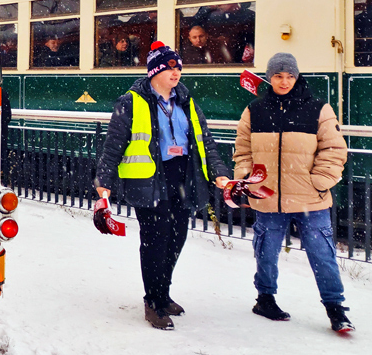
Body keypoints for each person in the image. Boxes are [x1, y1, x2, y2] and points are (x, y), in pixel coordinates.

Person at [95, 41, 231, 330]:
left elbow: (205, 141)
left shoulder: (186, 100)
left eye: (178, 67)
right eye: (170, 67)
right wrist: (103, 183)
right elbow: (113, 146)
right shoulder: (131, 102)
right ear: (154, 70)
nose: (176, 72)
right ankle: (154, 302)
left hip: (183, 177)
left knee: (177, 237)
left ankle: (164, 292)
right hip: (150, 179)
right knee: (155, 241)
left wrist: (219, 172)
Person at [232, 53, 353, 333]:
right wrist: (247, 179)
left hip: (310, 197)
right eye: (277, 76)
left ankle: (336, 309)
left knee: (322, 253)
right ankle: (265, 299)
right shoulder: (254, 110)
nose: (284, 81)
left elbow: (333, 150)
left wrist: (320, 181)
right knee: (266, 250)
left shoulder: (319, 109)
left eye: (289, 76)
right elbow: (242, 150)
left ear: (297, 77)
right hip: (268, 196)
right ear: (269, 78)